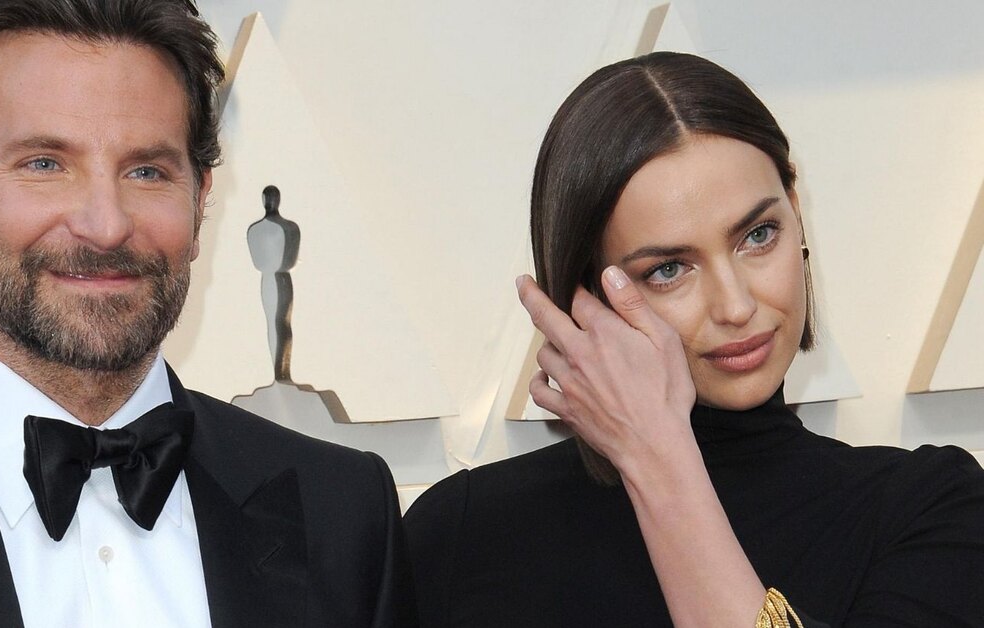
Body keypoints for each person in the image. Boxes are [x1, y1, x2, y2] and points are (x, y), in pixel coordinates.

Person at [0, 1, 414, 626]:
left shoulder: (342, 511)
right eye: (45, 164)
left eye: (146, 171)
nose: (106, 225)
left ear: (200, 202)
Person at [405, 51, 984, 627]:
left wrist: (656, 461)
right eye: (668, 269)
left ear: (796, 213)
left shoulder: (930, 509)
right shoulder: (464, 534)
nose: (736, 306)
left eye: (759, 235)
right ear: (587, 297)